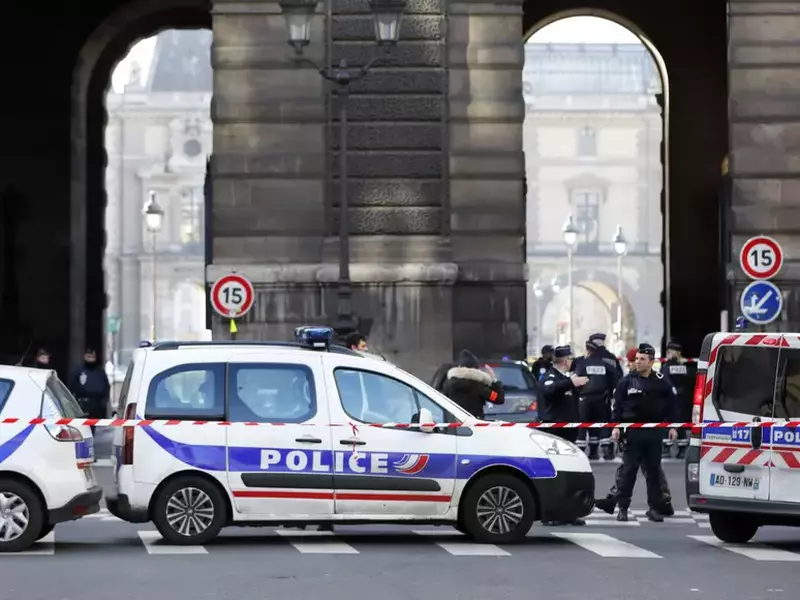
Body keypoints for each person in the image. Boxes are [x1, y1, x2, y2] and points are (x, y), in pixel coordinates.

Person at [608, 343, 678, 522]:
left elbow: (671, 406)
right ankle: (623, 508)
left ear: (651, 362)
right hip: (632, 433)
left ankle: (654, 508)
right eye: (637, 359)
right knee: (628, 471)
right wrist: (616, 426)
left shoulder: (662, 381)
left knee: (653, 471)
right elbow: (617, 406)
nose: (637, 362)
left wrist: (671, 426)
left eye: (642, 359)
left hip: (653, 433)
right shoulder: (627, 381)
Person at [538, 345, 589, 526]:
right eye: (570, 359)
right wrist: (571, 383)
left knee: (569, 476)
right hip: (554, 434)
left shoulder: (564, 378)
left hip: (568, 435)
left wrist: (575, 386)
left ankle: (568, 512)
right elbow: (549, 390)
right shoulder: (551, 377)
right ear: (565, 360)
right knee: (556, 476)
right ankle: (551, 514)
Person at [572, 339, 617, 460]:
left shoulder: (583, 364)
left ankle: (580, 452)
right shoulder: (604, 364)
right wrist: (609, 390)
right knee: (601, 423)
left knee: (583, 424)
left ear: (588, 350)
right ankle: (601, 451)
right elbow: (615, 376)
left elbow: (575, 380)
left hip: (584, 399)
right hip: (601, 398)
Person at [660, 341, 697, 459]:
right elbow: (691, 381)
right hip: (684, 399)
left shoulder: (666, 367)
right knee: (681, 422)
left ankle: (666, 448)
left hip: (671, 398)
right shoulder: (685, 367)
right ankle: (682, 448)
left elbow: (663, 381)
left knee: (667, 422)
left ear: (670, 353)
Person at [442, 350, 504, 418]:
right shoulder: (478, 386)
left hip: (454, 424)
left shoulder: (448, 384)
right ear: (475, 369)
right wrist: (494, 380)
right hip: (474, 424)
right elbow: (499, 398)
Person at [68, 347, 111, 430]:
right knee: (83, 429)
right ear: (84, 357)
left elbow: (106, 387)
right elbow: (71, 387)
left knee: (92, 429)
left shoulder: (100, 371)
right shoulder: (79, 371)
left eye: (93, 357)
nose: (91, 359)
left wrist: (103, 402)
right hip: (82, 404)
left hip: (96, 405)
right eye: (88, 357)